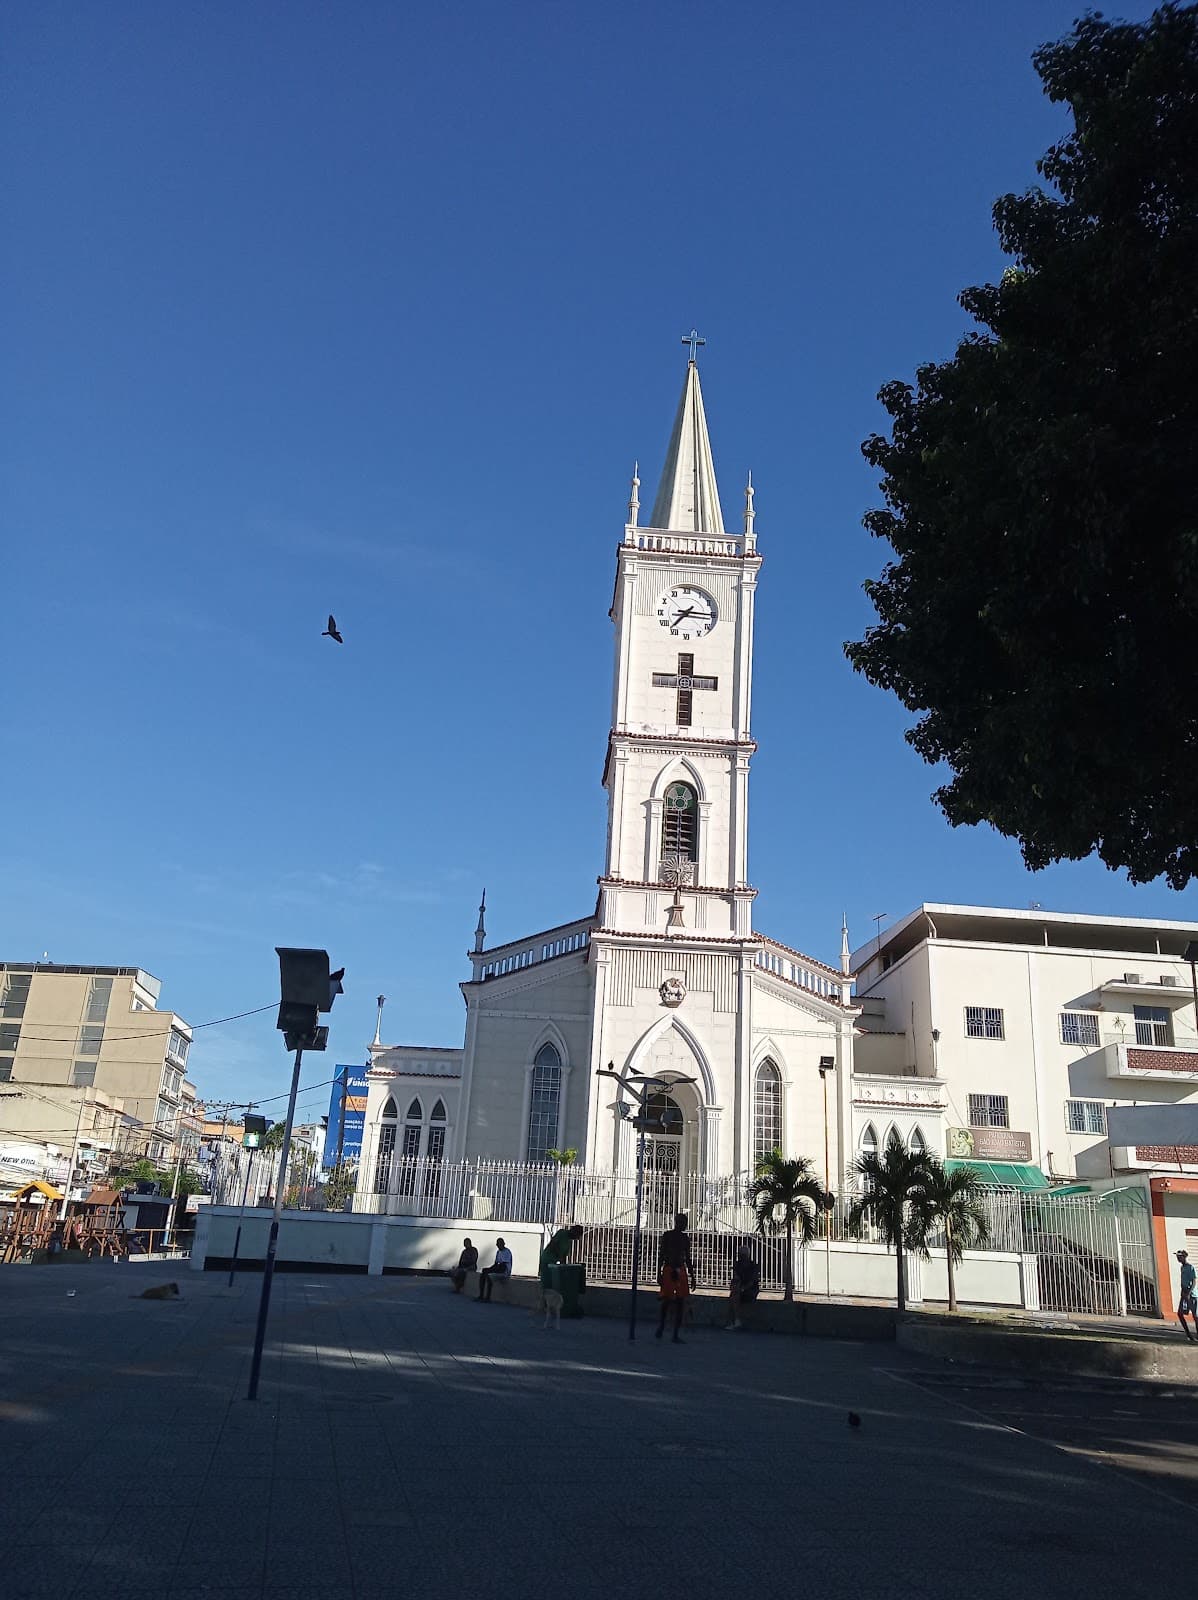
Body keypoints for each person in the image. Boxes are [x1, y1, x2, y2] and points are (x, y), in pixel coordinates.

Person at [655, 1213, 694, 1343]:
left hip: (677, 1269)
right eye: (683, 1223)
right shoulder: (670, 1236)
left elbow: (687, 1257)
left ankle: (671, 1331)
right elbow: (662, 1254)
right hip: (671, 1268)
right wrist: (658, 1272)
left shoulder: (682, 1238)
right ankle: (664, 1327)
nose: (685, 1225)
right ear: (678, 1223)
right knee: (669, 1301)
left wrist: (692, 1275)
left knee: (677, 1302)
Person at [724, 1246, 760, 1330]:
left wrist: (742, 1289)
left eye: (742, 1255)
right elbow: (736, 1279)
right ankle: (735, 1320)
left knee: (734, 1297)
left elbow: (752, 1282)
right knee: (733, 1296)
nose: (741, 1257)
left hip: (750, 1291)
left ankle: (735, 1320)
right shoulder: (738, 1265)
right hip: (740, 1290)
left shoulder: (753, 1266)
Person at [1177, 1249, 1198, 1341]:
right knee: (1180, 1313)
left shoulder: (1190, 1267)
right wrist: (1183, 1292)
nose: (1178, 1258)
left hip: (1192, 1295)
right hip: (1184, 1294)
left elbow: (1194, 1281)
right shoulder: (1182, 1268)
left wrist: (1189, 1293)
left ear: (1184, 1257)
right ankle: (1188, 1334)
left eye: (1180, 1256)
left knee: (1195, 1316)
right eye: (1177, 1256)